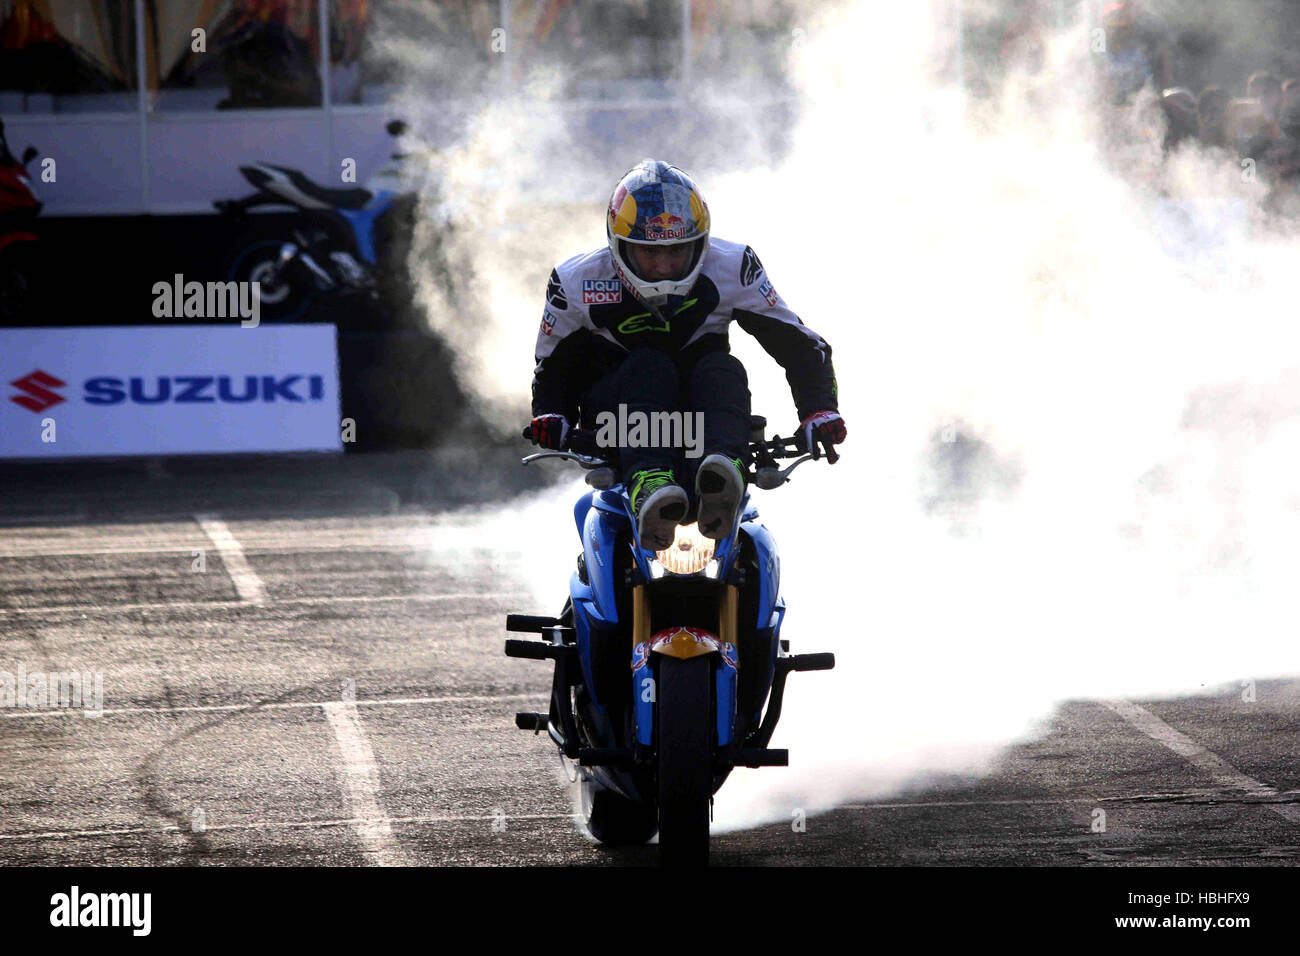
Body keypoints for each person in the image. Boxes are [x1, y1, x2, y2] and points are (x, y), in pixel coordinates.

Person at [526, 159, 845, 549]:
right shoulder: (575, 280)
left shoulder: (735, 266)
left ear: (701, 244)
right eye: (649, 252)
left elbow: (801, 345)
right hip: (615, 423)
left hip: (707, 415)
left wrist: (819, 410)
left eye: (677, 250)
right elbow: (552, 366)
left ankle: (722, 472)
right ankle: (649, 479)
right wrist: (552, 413)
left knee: (723, 367)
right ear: (619, 245)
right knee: (650, 365)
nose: (663, 266)